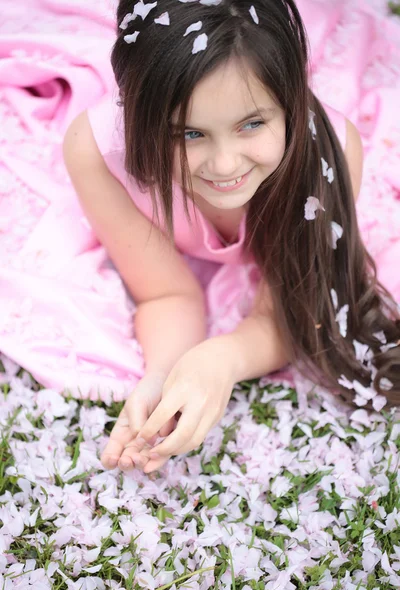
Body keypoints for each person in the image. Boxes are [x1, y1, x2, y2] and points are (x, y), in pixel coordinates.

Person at [62, 0, 400, 475]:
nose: (225, 165)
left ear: (291, 104)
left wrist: (223, 358)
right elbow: (166, 292)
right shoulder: (96, 152)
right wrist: (164, 374)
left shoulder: (330, 152)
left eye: (253, 124)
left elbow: (292, 309)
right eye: (188, 133)